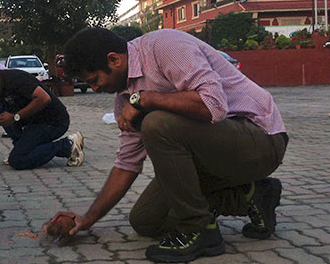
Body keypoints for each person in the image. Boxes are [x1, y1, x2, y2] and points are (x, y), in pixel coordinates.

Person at [50, 28, 288, 263]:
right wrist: (87, 219)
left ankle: (199, 229)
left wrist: (147, 99)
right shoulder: (125, 98)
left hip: (261, 139)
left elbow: (213, 105)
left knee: (156, 123)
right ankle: (253, 197)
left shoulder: (165, 46)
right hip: (215, 156)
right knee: (145, 220)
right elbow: (127, 164)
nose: (94, 89)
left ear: (114, 59)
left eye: (95, 80)